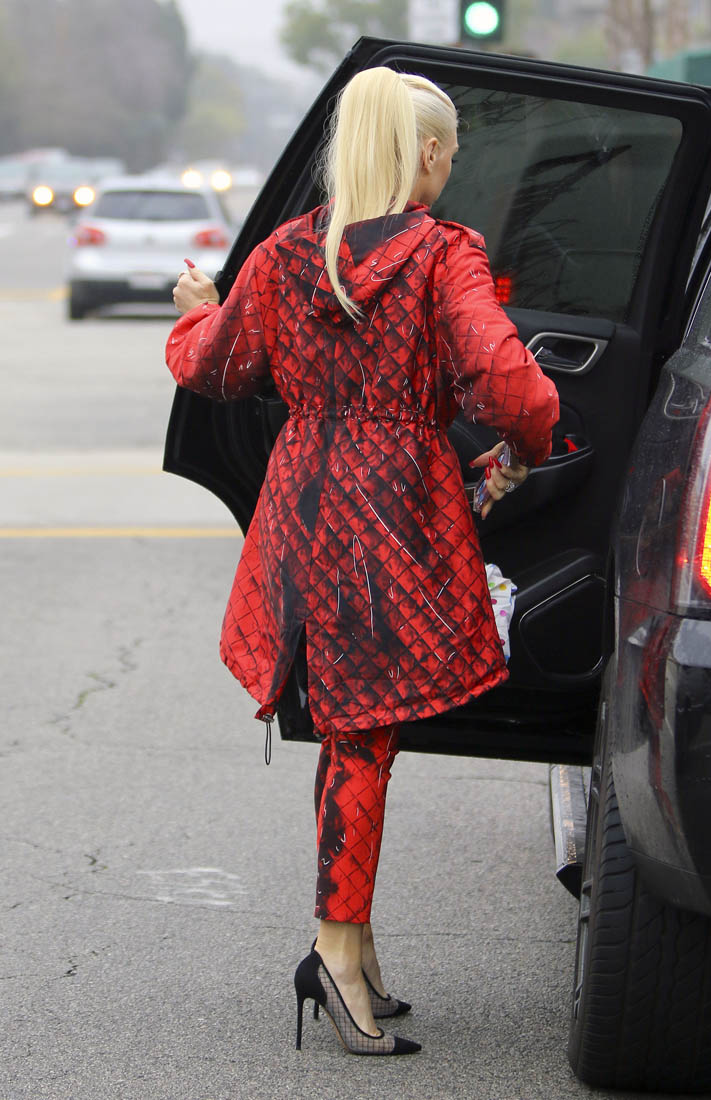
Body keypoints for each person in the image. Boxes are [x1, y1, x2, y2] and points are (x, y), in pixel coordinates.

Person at [166, 67, 559, 1057]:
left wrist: (197, 309)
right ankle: (335, 952)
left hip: (303, 509)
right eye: (450, 152)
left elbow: (215, 367)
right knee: (363, 734)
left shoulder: (283, 254)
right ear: (423, 152)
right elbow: (515, 390)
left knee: (354, 728)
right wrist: (528, 443)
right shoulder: (443, 254)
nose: (451, 167)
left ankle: (356, 945)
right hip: (395, 515)